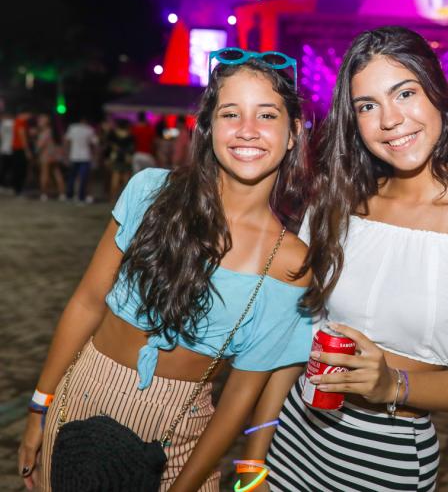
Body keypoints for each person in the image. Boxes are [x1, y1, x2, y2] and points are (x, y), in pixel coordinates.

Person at [256, 26, 448, 491]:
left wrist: (394, 385)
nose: (390, 119)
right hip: (290, 436)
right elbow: (288, 341)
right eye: (367, 106)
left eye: (405, 93)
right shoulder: (335, 204)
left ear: (437, 93)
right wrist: (253, 462)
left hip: (387, 458)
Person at [18, 53, 313, 491]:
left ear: (293, 133)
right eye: (230, 113)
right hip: (78, 400)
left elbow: (239, 395)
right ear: (208, 127)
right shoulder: (150, 191)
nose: (247, 129)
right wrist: (38, 407)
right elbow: (87, 302)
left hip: (180, 437)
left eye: (267, 115)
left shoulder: (290, 261)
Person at [64, 117, 98, 203]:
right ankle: (81, 197)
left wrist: (66, 153)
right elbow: (94, 143)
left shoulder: (72, 128)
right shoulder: (89, 129)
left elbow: (67, 141)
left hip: (74, 156)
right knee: (83, 178)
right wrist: (95, 155)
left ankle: (69, 195)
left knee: (72, 177)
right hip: (85, 156)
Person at [36, 114, 66, 201]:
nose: (39, 122)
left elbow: (39, 146)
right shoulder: (54, 132)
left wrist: (35, 152)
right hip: (55, 156)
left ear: (47, 122)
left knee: (44, 174)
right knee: (57, 174)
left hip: (45, 156)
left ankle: (44, 194)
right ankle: (62, 194)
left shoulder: (45, 132)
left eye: (41, 120)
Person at [106, 118, 135, 202]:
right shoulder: (129, 135)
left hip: (116, 157)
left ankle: (112, 198)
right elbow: (132, 148)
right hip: (126, 157)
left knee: (115, 177)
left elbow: (109, 146)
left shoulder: (113, 134)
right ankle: (125, 199)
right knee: (126, 178)